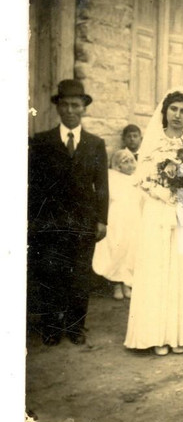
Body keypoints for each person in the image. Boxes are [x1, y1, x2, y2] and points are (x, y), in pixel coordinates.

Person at [125, 87, 183, 356]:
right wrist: (165, 193)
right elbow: (142, 178)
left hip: (182, 213)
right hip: (157, 211)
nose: (177, 115)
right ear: (165, 112)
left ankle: (180, 335)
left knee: (181, 269)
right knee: (157, 268)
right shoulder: (152, 143)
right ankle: (155, 335)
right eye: (173, 109)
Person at [28, 79, 109, 346]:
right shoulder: (42, 142)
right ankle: (51, 328)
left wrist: (102, 220)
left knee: (80, 276)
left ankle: (75, 328)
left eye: (76, 105)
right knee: (51, 274)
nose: (70, 110)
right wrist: (35, 220)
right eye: (65, 105)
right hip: (51, 222)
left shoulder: (95, 144)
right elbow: (35, 185)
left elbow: (102, 186)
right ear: (58, 108)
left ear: (84, 108)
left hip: (84, 223)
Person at [92, 149, 141, 301]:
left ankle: (127, 282)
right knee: (116, 247)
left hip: (133, 219)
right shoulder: (112, 177)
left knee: (131, 248)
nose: (130, 165)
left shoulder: (137, 179)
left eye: (132, 161)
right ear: (117, 166)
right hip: (117, 219)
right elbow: (107, 197)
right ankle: (116, 284)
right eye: (125, 162)